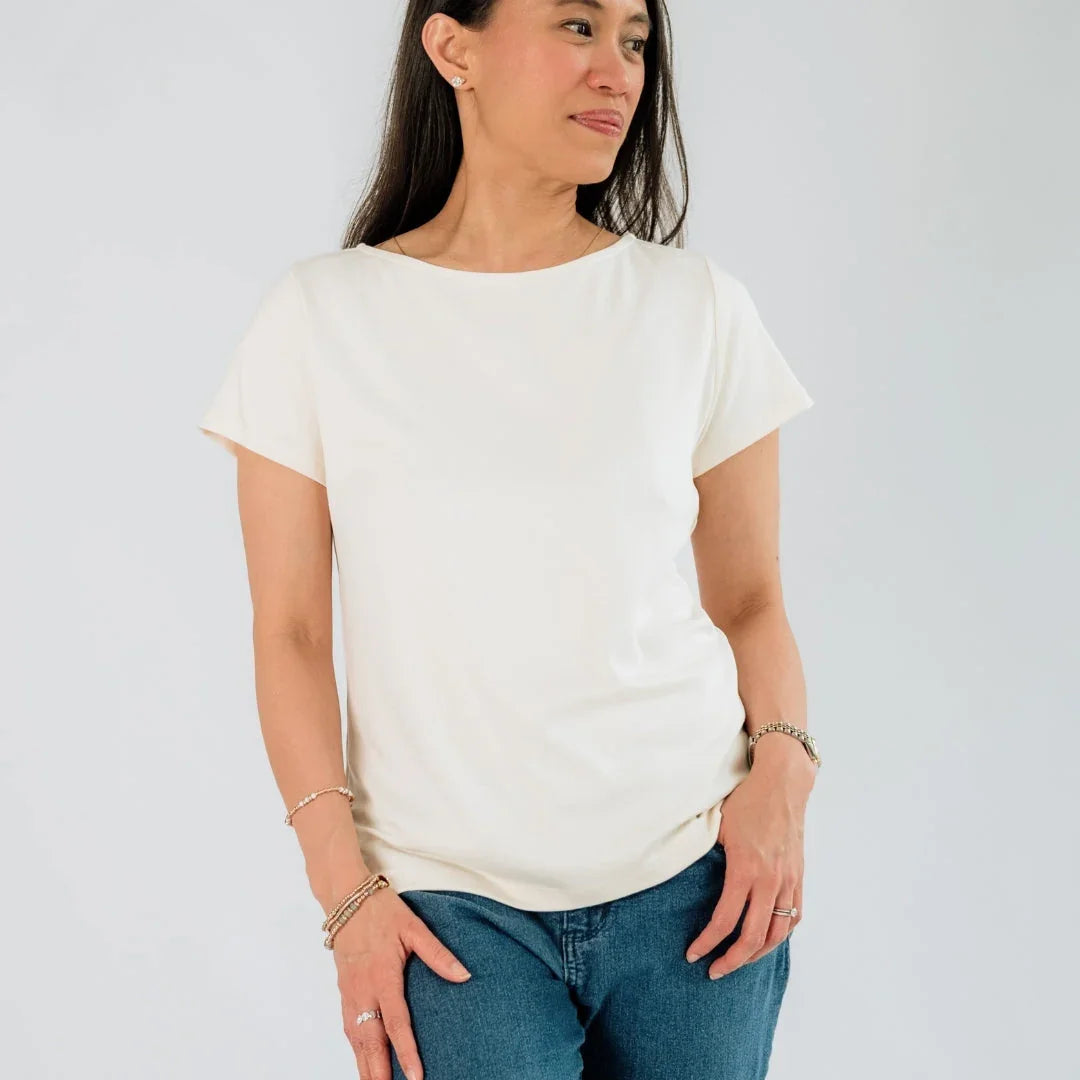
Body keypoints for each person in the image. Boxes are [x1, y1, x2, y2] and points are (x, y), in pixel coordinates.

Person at [197, 2, 821, 1077]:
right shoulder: (320, 318)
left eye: (634, 40)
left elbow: (751, 600)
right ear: (454, 49)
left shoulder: (694, 307)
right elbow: (290, 634)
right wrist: (345, 897)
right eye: (577, 26)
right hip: (447, 912)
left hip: (695, 883)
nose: (618, 71)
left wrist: (782, 783)